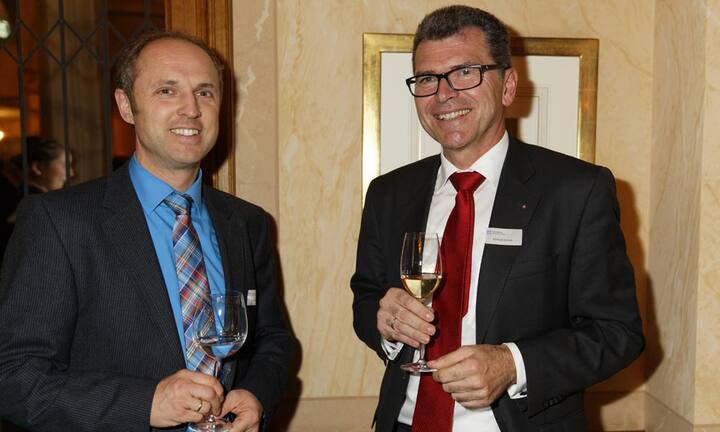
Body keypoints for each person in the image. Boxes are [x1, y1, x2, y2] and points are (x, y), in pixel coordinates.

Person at [351, 5, 644, 432]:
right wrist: (385, 324)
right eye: (427, 79)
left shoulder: (576, 191)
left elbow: (617, 332)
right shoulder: (387, 193)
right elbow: (366, 297)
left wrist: (512, 364)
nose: (444, 94)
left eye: (465, 72)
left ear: (508, 86)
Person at [0, 30, 293, 432]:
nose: (191, 109)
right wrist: (145, 404)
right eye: (167, 91)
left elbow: (272, 339)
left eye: (204, 92)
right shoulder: (59, 221)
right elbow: (14, 376)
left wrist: (255, 394)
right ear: (126, 105)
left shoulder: (247, 222)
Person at [0, 136, 73, 261]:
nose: (71, 173)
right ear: (38, 168)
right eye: (65, 165)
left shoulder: (16, 198)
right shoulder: (39, 205)